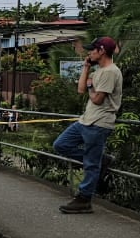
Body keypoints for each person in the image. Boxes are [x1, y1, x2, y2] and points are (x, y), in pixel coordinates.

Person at [52, 36, 123, 214]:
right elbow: (81, 89)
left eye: (92, 49)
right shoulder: (98, 71)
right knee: (61, 145)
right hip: (86, 120)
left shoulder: (110, 72)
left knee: (91, 164)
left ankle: (84, 199)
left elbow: (97, 99)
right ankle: (101, 160)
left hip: (99, 123)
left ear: (102, 51)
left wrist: (91, 87)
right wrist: (86, 67)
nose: (89, 52)